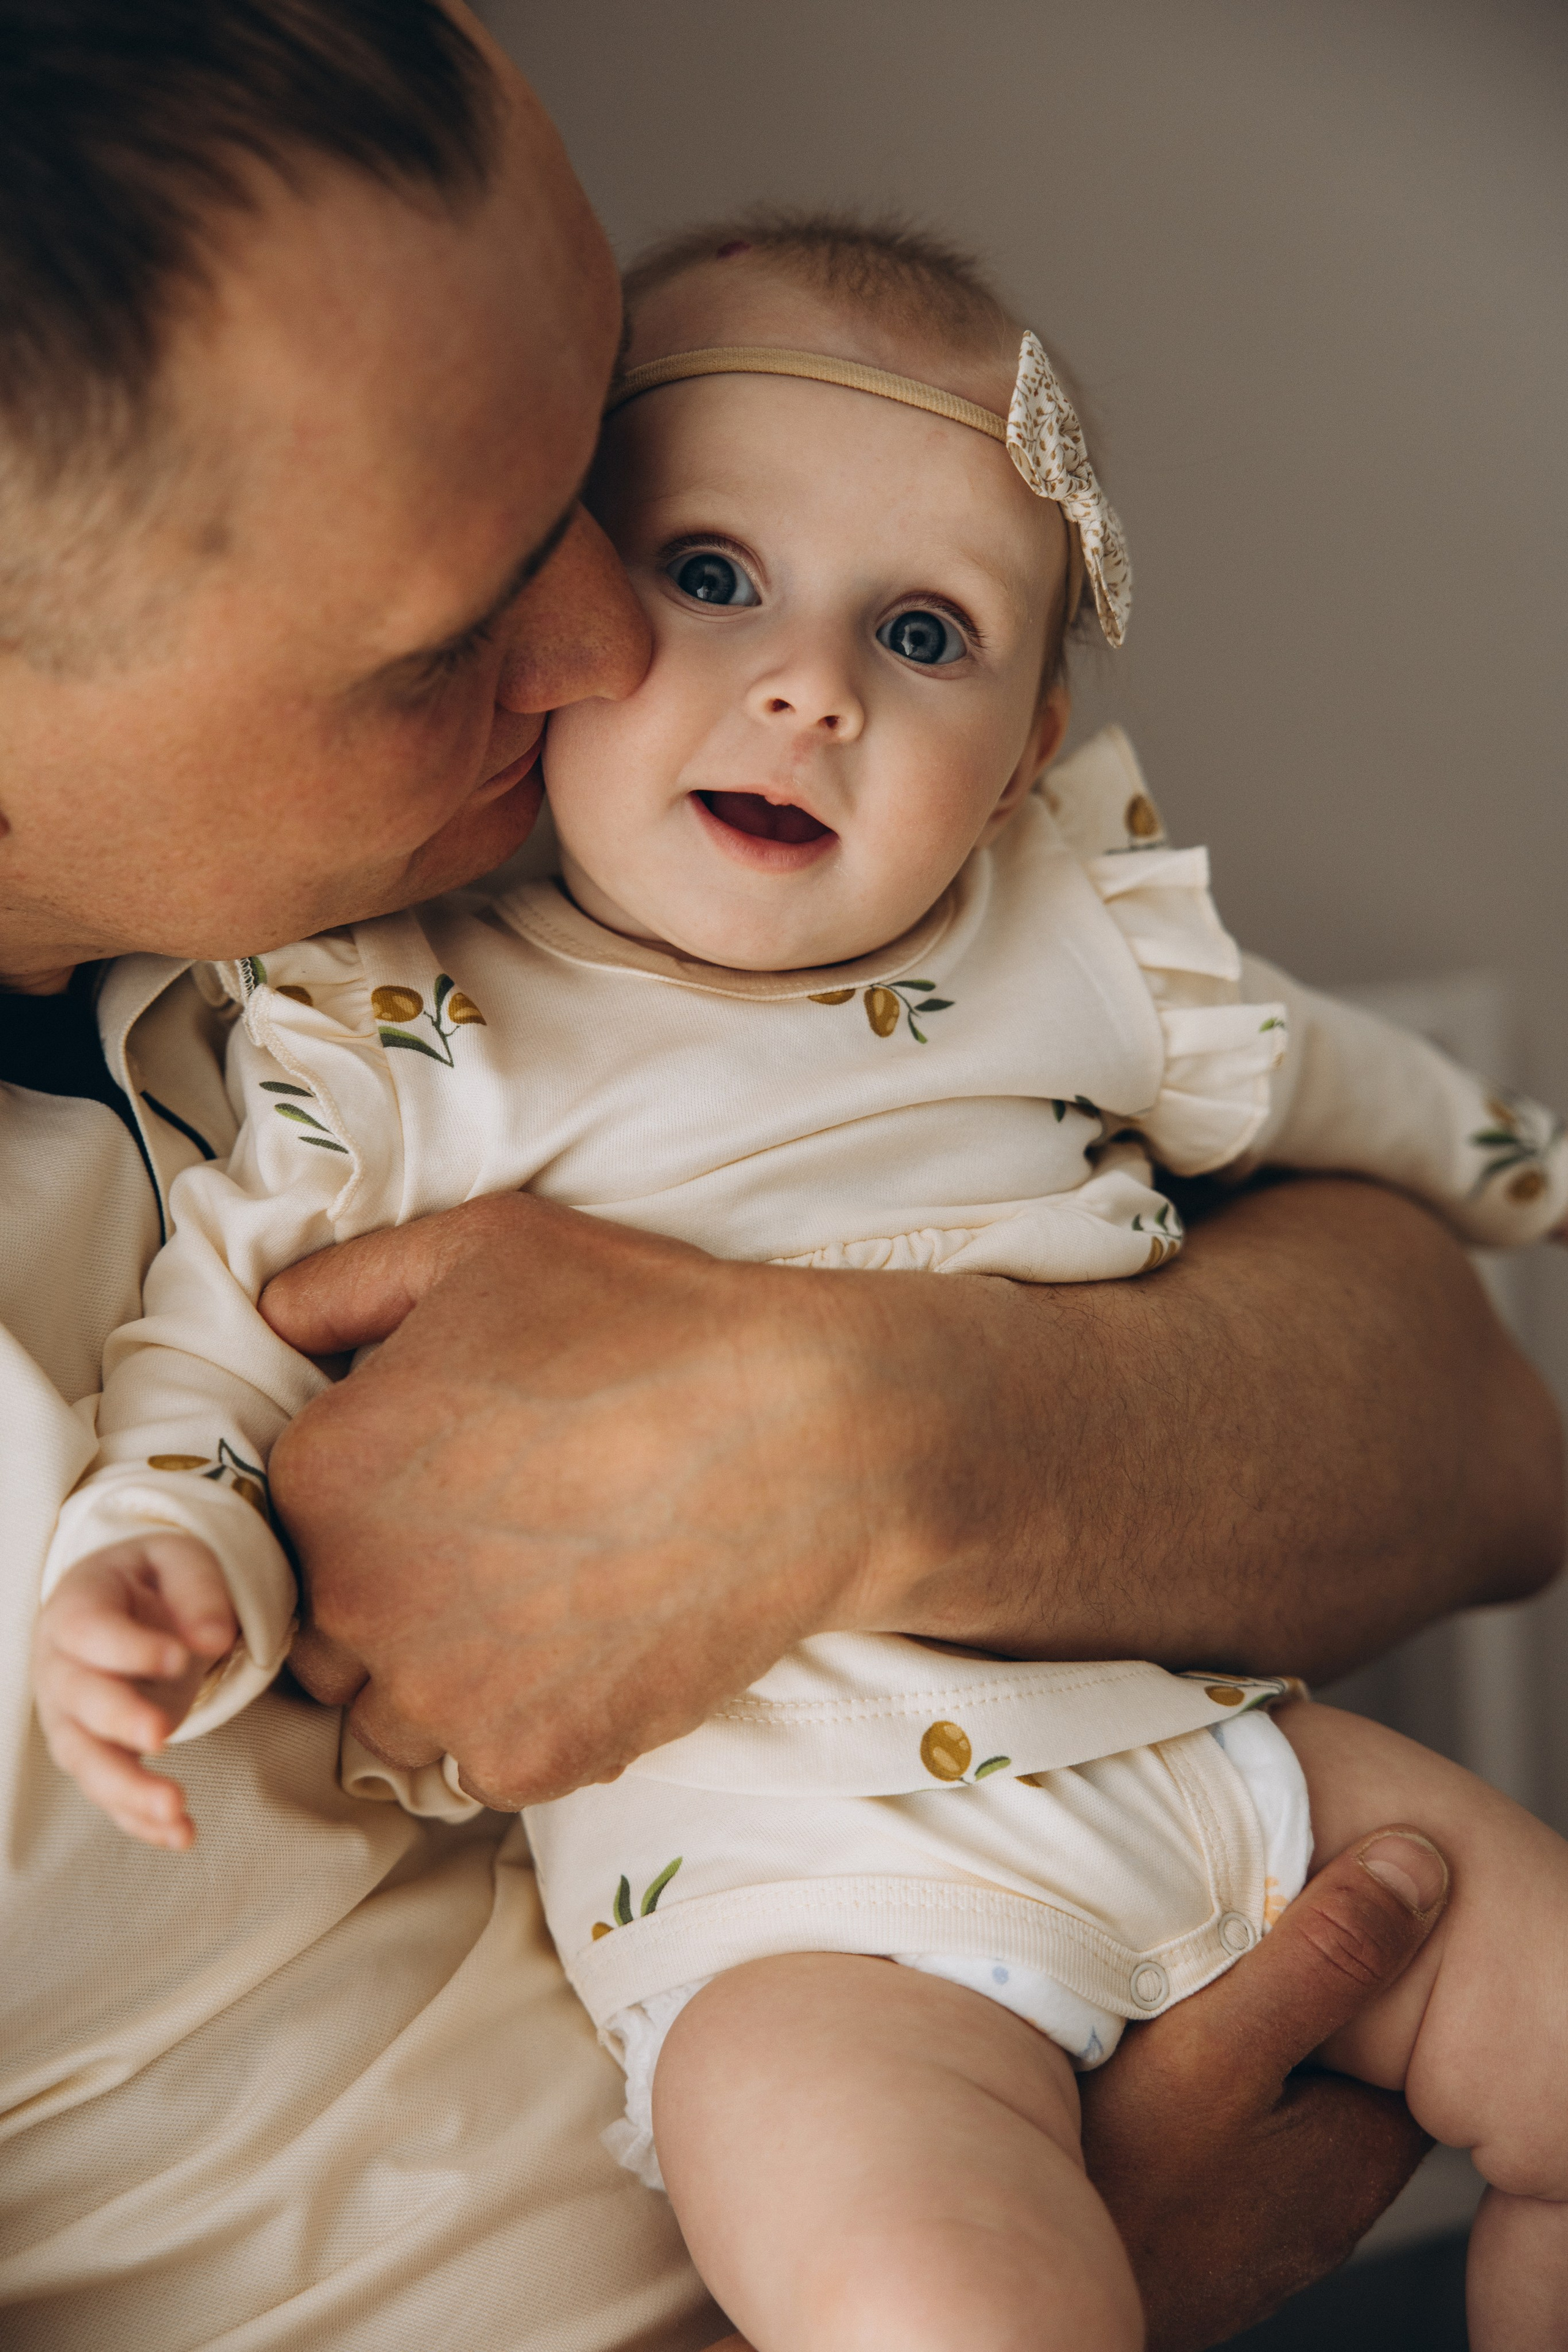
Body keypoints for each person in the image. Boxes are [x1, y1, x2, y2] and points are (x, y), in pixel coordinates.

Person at [0, 6, 1558, 2347]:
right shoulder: (370, 1057)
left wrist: (865, 1438)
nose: (625, 645)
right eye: (463, 616)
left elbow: (1481, 1424)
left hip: (1213, 1825)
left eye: (597, 506)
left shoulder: (578, 885)